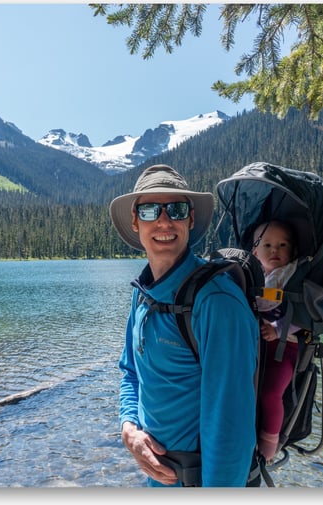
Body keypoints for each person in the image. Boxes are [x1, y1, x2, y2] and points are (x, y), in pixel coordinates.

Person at [109, 164, 259, 487]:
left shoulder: (217, 303)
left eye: (175, 209)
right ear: (135, 221)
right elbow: (130, 372)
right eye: (150, 210)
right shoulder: (143, 294)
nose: (164, 221)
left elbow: (230, 432)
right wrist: (129, 430)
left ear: (190, 218)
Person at [250, 220, 301, 462]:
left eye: (282, 245)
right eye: (267, 245)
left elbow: (306, 315)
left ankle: (269, 449)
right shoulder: (252, 274)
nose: (275, 251)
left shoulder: (293, 275)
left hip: (284, 347)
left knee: (271, 393)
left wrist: (279, 329)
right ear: (254, 252)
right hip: (254, 347)